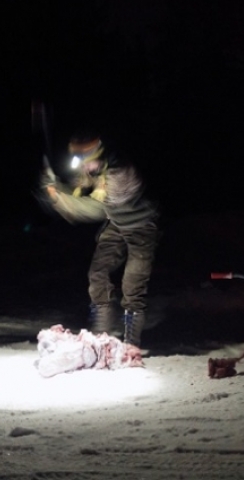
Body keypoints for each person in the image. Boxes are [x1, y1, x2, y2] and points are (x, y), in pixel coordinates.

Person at [39, 130, 160, 349]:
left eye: (88, 162)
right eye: (80, 162)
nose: (85, 168)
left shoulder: (120, 171)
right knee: (97, 273)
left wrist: (58, 199)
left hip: (141, 225)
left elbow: (95, 209)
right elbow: (80, 191)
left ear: (100, 155)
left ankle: (131, 343)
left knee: (132, 284)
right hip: (116, 222)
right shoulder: (91, 166)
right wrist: (56, 186)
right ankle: (102, 332)